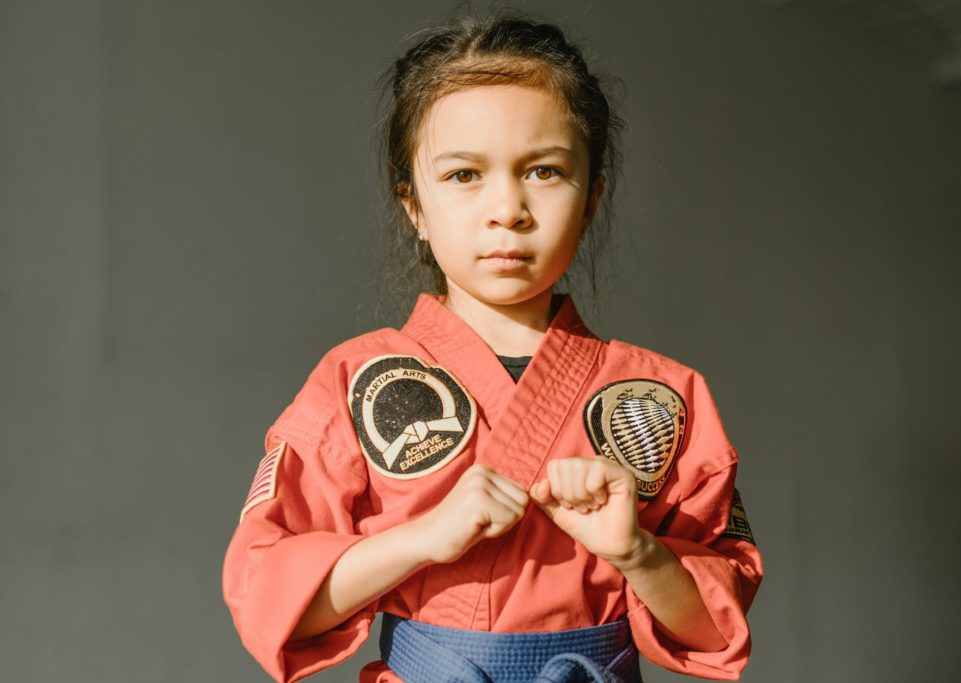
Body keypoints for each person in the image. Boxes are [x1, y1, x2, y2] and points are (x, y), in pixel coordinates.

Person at [222, 9, 763, 683]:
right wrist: (421, 538)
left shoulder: (662, 398)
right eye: (464, 175)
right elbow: (272, 602)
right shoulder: (354, 380)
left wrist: (638, 552)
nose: (507, 207)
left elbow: (719, 629)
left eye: (543, 171)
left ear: (592, 198)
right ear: (412, 204)